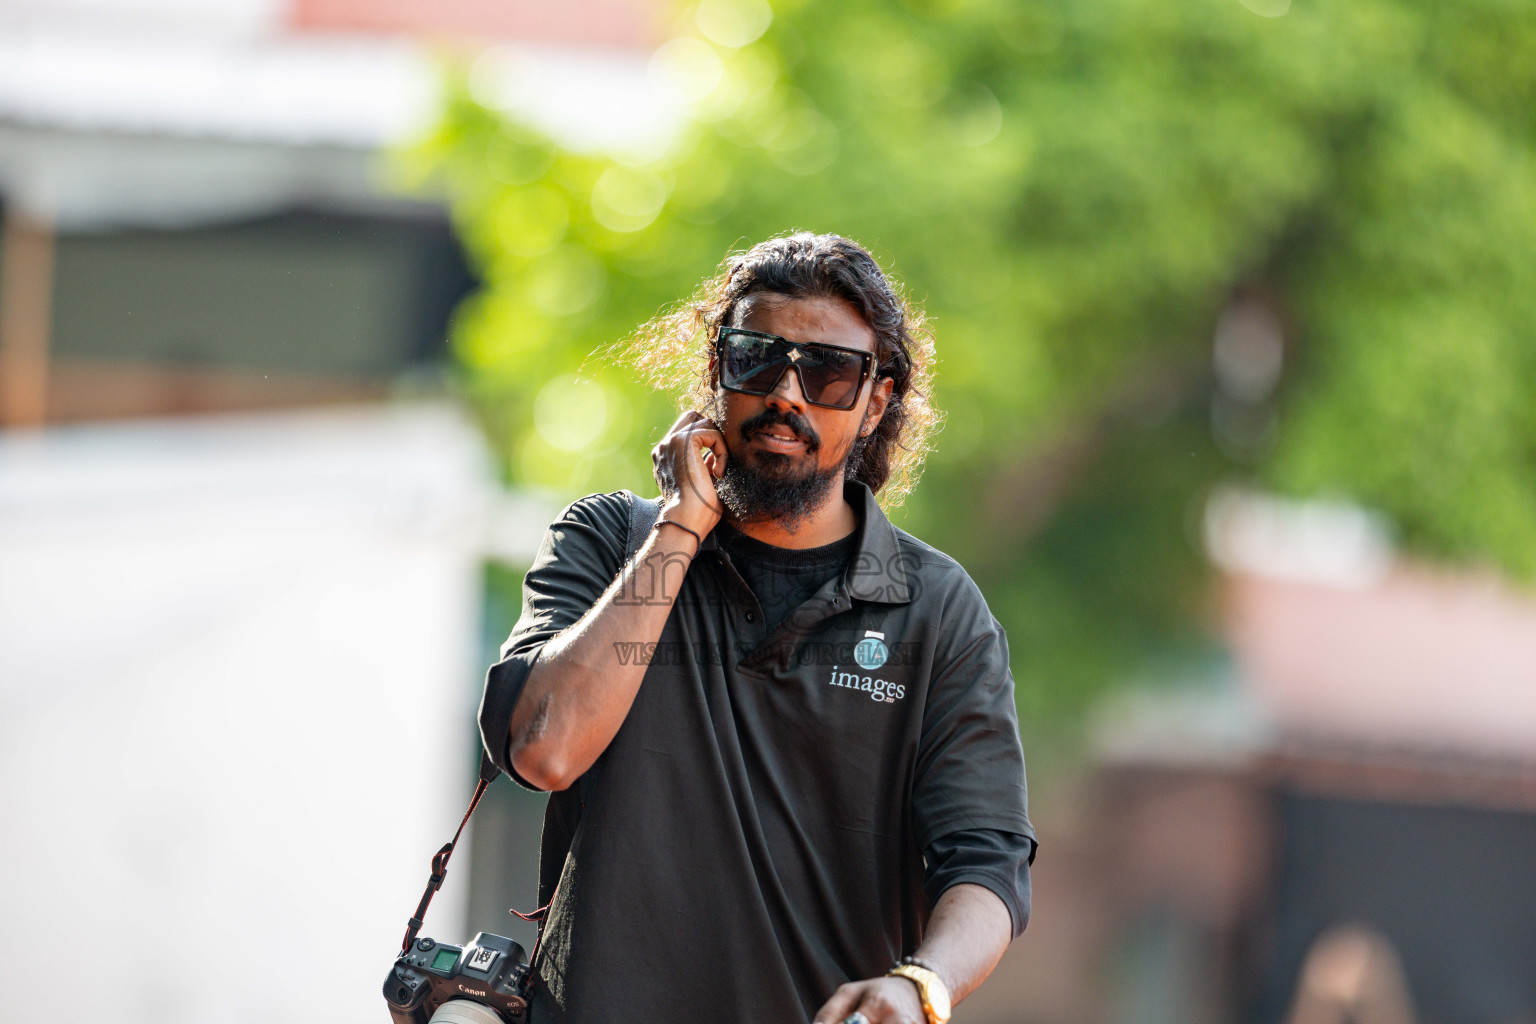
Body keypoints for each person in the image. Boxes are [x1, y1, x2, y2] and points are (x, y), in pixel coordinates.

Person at [478, 232, 1036, 1024]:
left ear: (877, 403)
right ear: (716, 371)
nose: (789, 395)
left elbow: (987, 865)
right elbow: (545, 750)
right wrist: (679, 528)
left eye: (831, 373)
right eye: (758, 359)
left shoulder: (937, 610)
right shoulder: (610, 542)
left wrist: (922, 985)